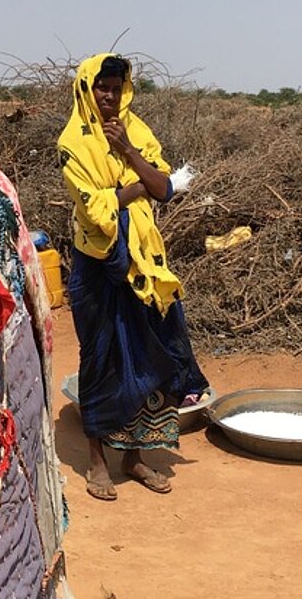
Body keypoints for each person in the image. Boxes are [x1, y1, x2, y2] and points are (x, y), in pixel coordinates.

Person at [57, 53, 211, 501]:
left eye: (116, 87)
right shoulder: (73, 142)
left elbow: (164, 190)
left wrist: (127, 153)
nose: (109, 96)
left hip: (144, 261)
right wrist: (142, 182)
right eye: (102, 87)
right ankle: (98, 460)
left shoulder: (136, 131)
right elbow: (95, 210)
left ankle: (136, 456)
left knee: (150, 355)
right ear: (87, 89)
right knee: (101, 358)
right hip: (99, 264)